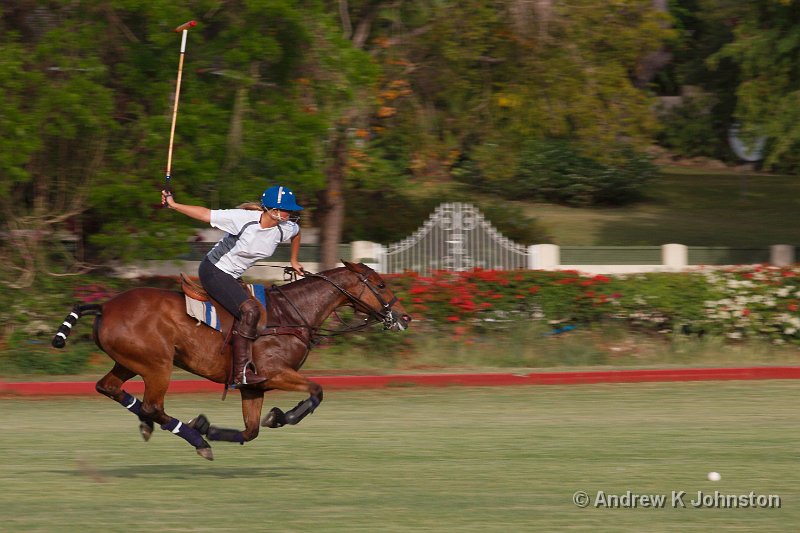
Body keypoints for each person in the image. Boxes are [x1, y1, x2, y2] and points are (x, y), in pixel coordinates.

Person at [161, 185, 305, 387]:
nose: (290, 214)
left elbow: (297, 234)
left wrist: (294, 260)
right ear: (272, 210)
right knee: (250, 310)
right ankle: (240, 374)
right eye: (286, 209)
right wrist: (173, 204)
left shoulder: (284, 228)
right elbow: (204, 214)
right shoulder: (243, 219)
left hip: (233, 276)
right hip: (214, 270)